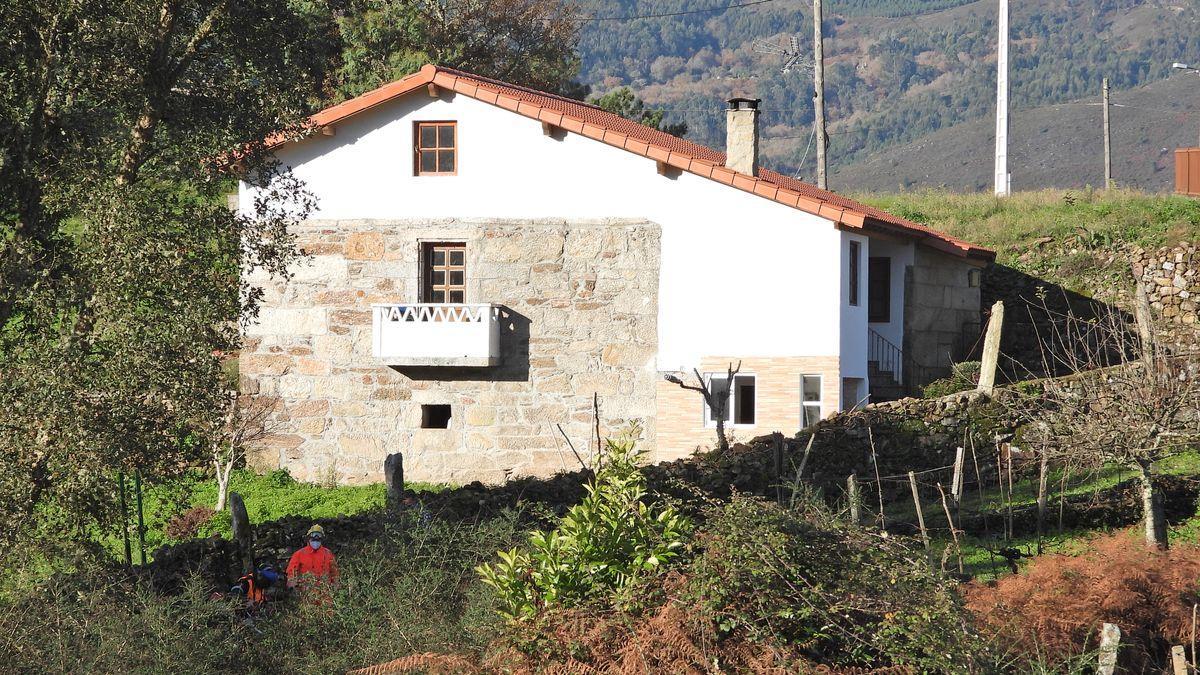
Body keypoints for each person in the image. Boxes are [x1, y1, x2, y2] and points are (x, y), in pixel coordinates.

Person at [286, 524, 338, 602]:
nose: (315, 540)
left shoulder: (328, 553)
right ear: (308, 538)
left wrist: (336, 586)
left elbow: (334, 572)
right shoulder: (299, 554)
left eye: (318, 538)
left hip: (325, 594)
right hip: (306, 594)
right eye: (313, 538)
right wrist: (294, 589)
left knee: (327, 613)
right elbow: (291, 573)